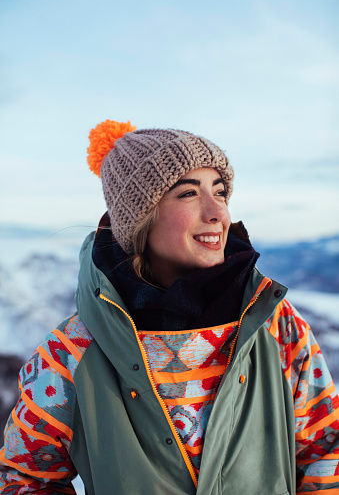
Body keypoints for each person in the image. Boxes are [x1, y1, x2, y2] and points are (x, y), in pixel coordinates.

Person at [0, 120, 338, 495]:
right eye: (188, 194)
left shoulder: (275, 327)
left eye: (221, 192)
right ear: (140, 217)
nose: (217, 213)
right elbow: (24, 480)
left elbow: (325, 451)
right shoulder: (73, 353)